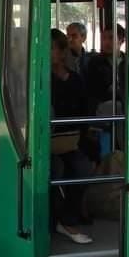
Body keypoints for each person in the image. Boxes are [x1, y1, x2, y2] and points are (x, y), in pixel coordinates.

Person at [50, 29, 94, 244]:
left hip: (70, 140)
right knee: (54, 169)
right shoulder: (39, 79)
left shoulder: (75, 79)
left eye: (53, 49)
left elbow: (85, 111)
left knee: (82, 167)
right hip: (44, 142)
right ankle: (55, 218)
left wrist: (82, 137)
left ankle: (67, 218)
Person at [85, 23, 127, 111]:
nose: (106, 42)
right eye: (104, 38)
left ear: (122, 41)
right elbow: (94, 91)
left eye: (111, 38)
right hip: (103, 105)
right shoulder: (95, 62)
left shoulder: (128, 61)